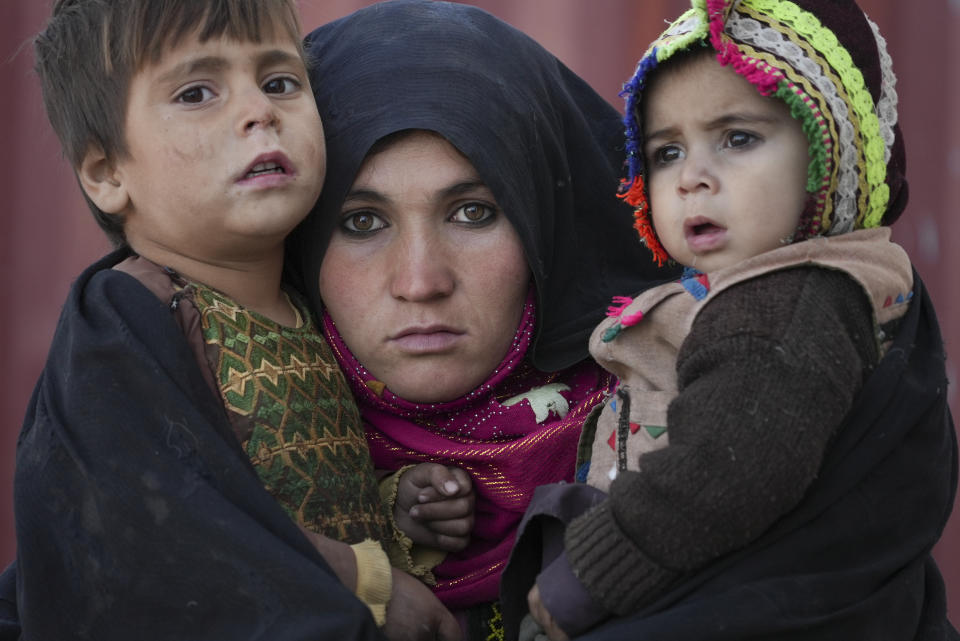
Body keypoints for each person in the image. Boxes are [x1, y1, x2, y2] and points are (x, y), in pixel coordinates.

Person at [501, 0, 959, 639]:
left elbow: (724, 470)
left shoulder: (783, 306)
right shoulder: (801, 288)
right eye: (665, 152)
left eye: (738, 138)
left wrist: (585, 578)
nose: (693, 178)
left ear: (829, 156)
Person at [12, 1, 460, 639]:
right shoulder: (126, 313)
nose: (260, 111)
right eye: (197, 92)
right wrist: (371, 583)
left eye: (280, 83)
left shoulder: (319, 304)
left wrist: (397, 508)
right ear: (107, 173)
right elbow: (163, 528)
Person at [287, 1, 677, 638]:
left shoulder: (687, 414)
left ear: (545, 224)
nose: (421, 283)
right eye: (361, 222)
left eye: (473, 213)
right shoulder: (233, 434)